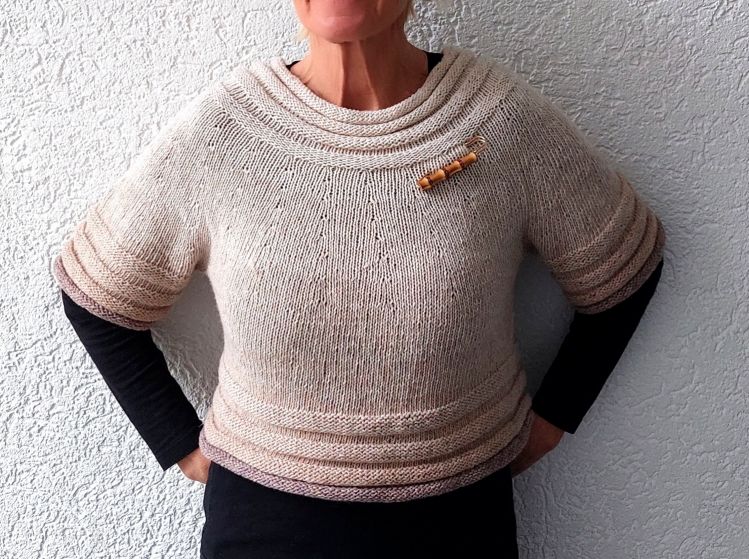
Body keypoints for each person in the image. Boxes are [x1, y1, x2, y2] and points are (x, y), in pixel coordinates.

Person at [52, 1, 666, 557]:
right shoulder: (224, 134)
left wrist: (551, 422)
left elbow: (624, 270)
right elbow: (98, 297)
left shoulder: (498, 122)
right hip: (264, 525)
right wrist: (179, 442)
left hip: (458, 523)